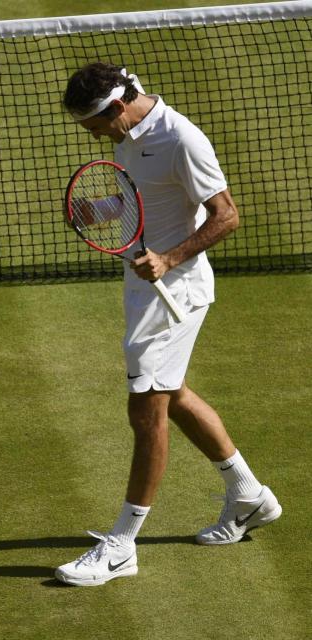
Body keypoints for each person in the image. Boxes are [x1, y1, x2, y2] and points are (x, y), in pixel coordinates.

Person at [55, 62, 281, 586]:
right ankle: (248, 496)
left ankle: (121, 546)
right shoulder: (128, 131)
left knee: (146, 410)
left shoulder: (182, 138)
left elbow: (226, 215)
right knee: (171, 394)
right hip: (145, 285)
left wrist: (169, 258)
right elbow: (142, 195)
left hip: (174, 292)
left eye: (94, 127)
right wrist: (101, 211)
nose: (94, 137)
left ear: (115, 107)